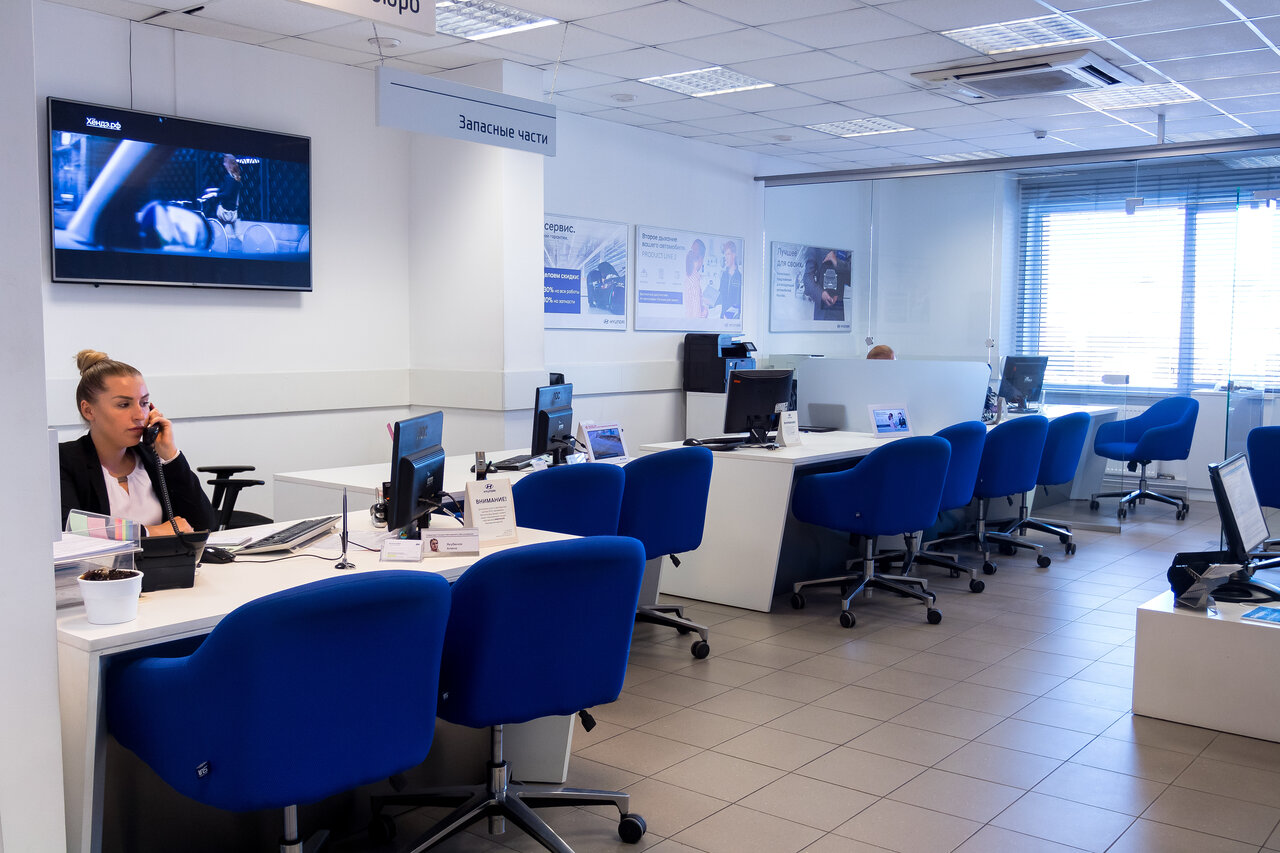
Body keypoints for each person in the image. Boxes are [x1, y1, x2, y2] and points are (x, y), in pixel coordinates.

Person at [59, 350, 214, 535]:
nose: (140, 415)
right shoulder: (64, 460)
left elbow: (203, 524)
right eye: (124, 405)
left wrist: (170, 456)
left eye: (144, 403)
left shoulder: (152, 458)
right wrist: (151, 532)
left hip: (167, 556)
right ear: (88, 410)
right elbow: (70, 528)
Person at [802, 247, 849, 322]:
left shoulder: (846, 247)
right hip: (821, 314)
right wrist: (820, 294)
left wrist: (837, 262)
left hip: (838, 314)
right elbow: (807, 279)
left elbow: (854, 277)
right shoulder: (815, 246)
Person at [713, 240, 742, 320]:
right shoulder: (724, 275)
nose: (726, 257)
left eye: (728, 254)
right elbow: (720, 294)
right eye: (725, 255)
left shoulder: (739, 276)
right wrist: (711, 301)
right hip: (723, 316)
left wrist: (730, 313)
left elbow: (739, 301)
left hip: (734, 318)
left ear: (734, 255)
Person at [683, 239, 707, 319]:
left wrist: (702, 308)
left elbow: (693, 305)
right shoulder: (694, 281)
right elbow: (695, 312)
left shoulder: (690, 278)